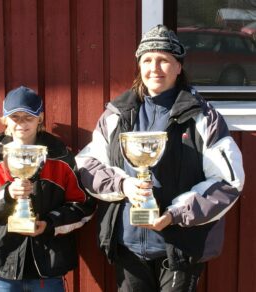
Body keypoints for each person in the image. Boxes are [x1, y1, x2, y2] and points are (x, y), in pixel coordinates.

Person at [75, 25, 245, 292]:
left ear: (178, 67)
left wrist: (175, 214)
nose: (155, 68)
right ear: (139, 67)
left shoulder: (202, 117)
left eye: (164, 60)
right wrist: (123, 186)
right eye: (148, 60)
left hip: (179, 247)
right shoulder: (117, 114)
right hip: (128, 246)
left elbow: (228, 181)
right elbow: (87, 165)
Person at [0, 86, 95, 292]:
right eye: (15, 117)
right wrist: (7, 194)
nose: (21, 123)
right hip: (3, 268)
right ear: (5, 120)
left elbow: (83, 207)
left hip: (48, 269)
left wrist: (50, 224)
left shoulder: (61, 158)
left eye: (29, 116)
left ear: (40, 118)